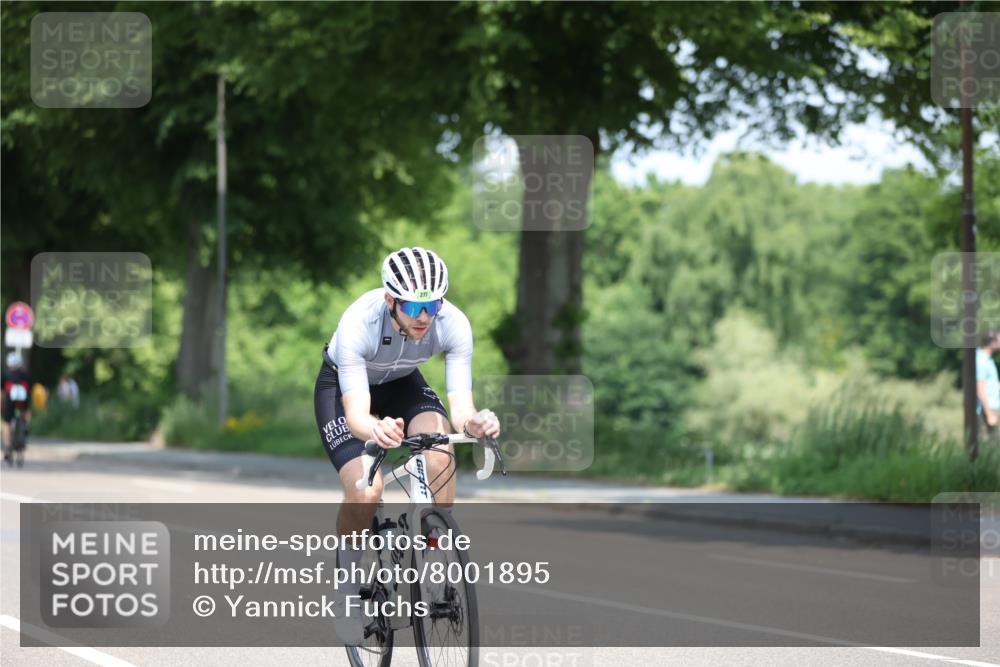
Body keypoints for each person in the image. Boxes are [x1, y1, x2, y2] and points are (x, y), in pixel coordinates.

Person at [314, 246, 500, 642]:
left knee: (440, 450)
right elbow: (357, 416)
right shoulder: (357, 324)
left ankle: (433, 555)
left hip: (402, 383)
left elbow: (462, 408)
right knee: (367, 488)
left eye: (431, 305)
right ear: (390, 300)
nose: (423, 318)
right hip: (345, 391)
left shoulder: (454, 323)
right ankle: (346, 592)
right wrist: (375, 430)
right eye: (413, 308)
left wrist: (478, 422)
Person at [2, 351, 32, 466]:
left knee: (7, 423)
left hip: (10, 401)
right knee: (26, 411)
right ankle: (26, 425)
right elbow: (30, 391)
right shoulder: (25, 374)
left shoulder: (5, 374)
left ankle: (8, 447)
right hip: (23, 401)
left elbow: (1, 393)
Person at [976, 330, 1000, 448]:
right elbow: (979, 388)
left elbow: (989, 385)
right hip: (987, 410)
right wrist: (989, 413)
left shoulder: (987, 359)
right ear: (992, 343)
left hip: (991, 408)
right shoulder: (981, 361)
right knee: (989, 448)